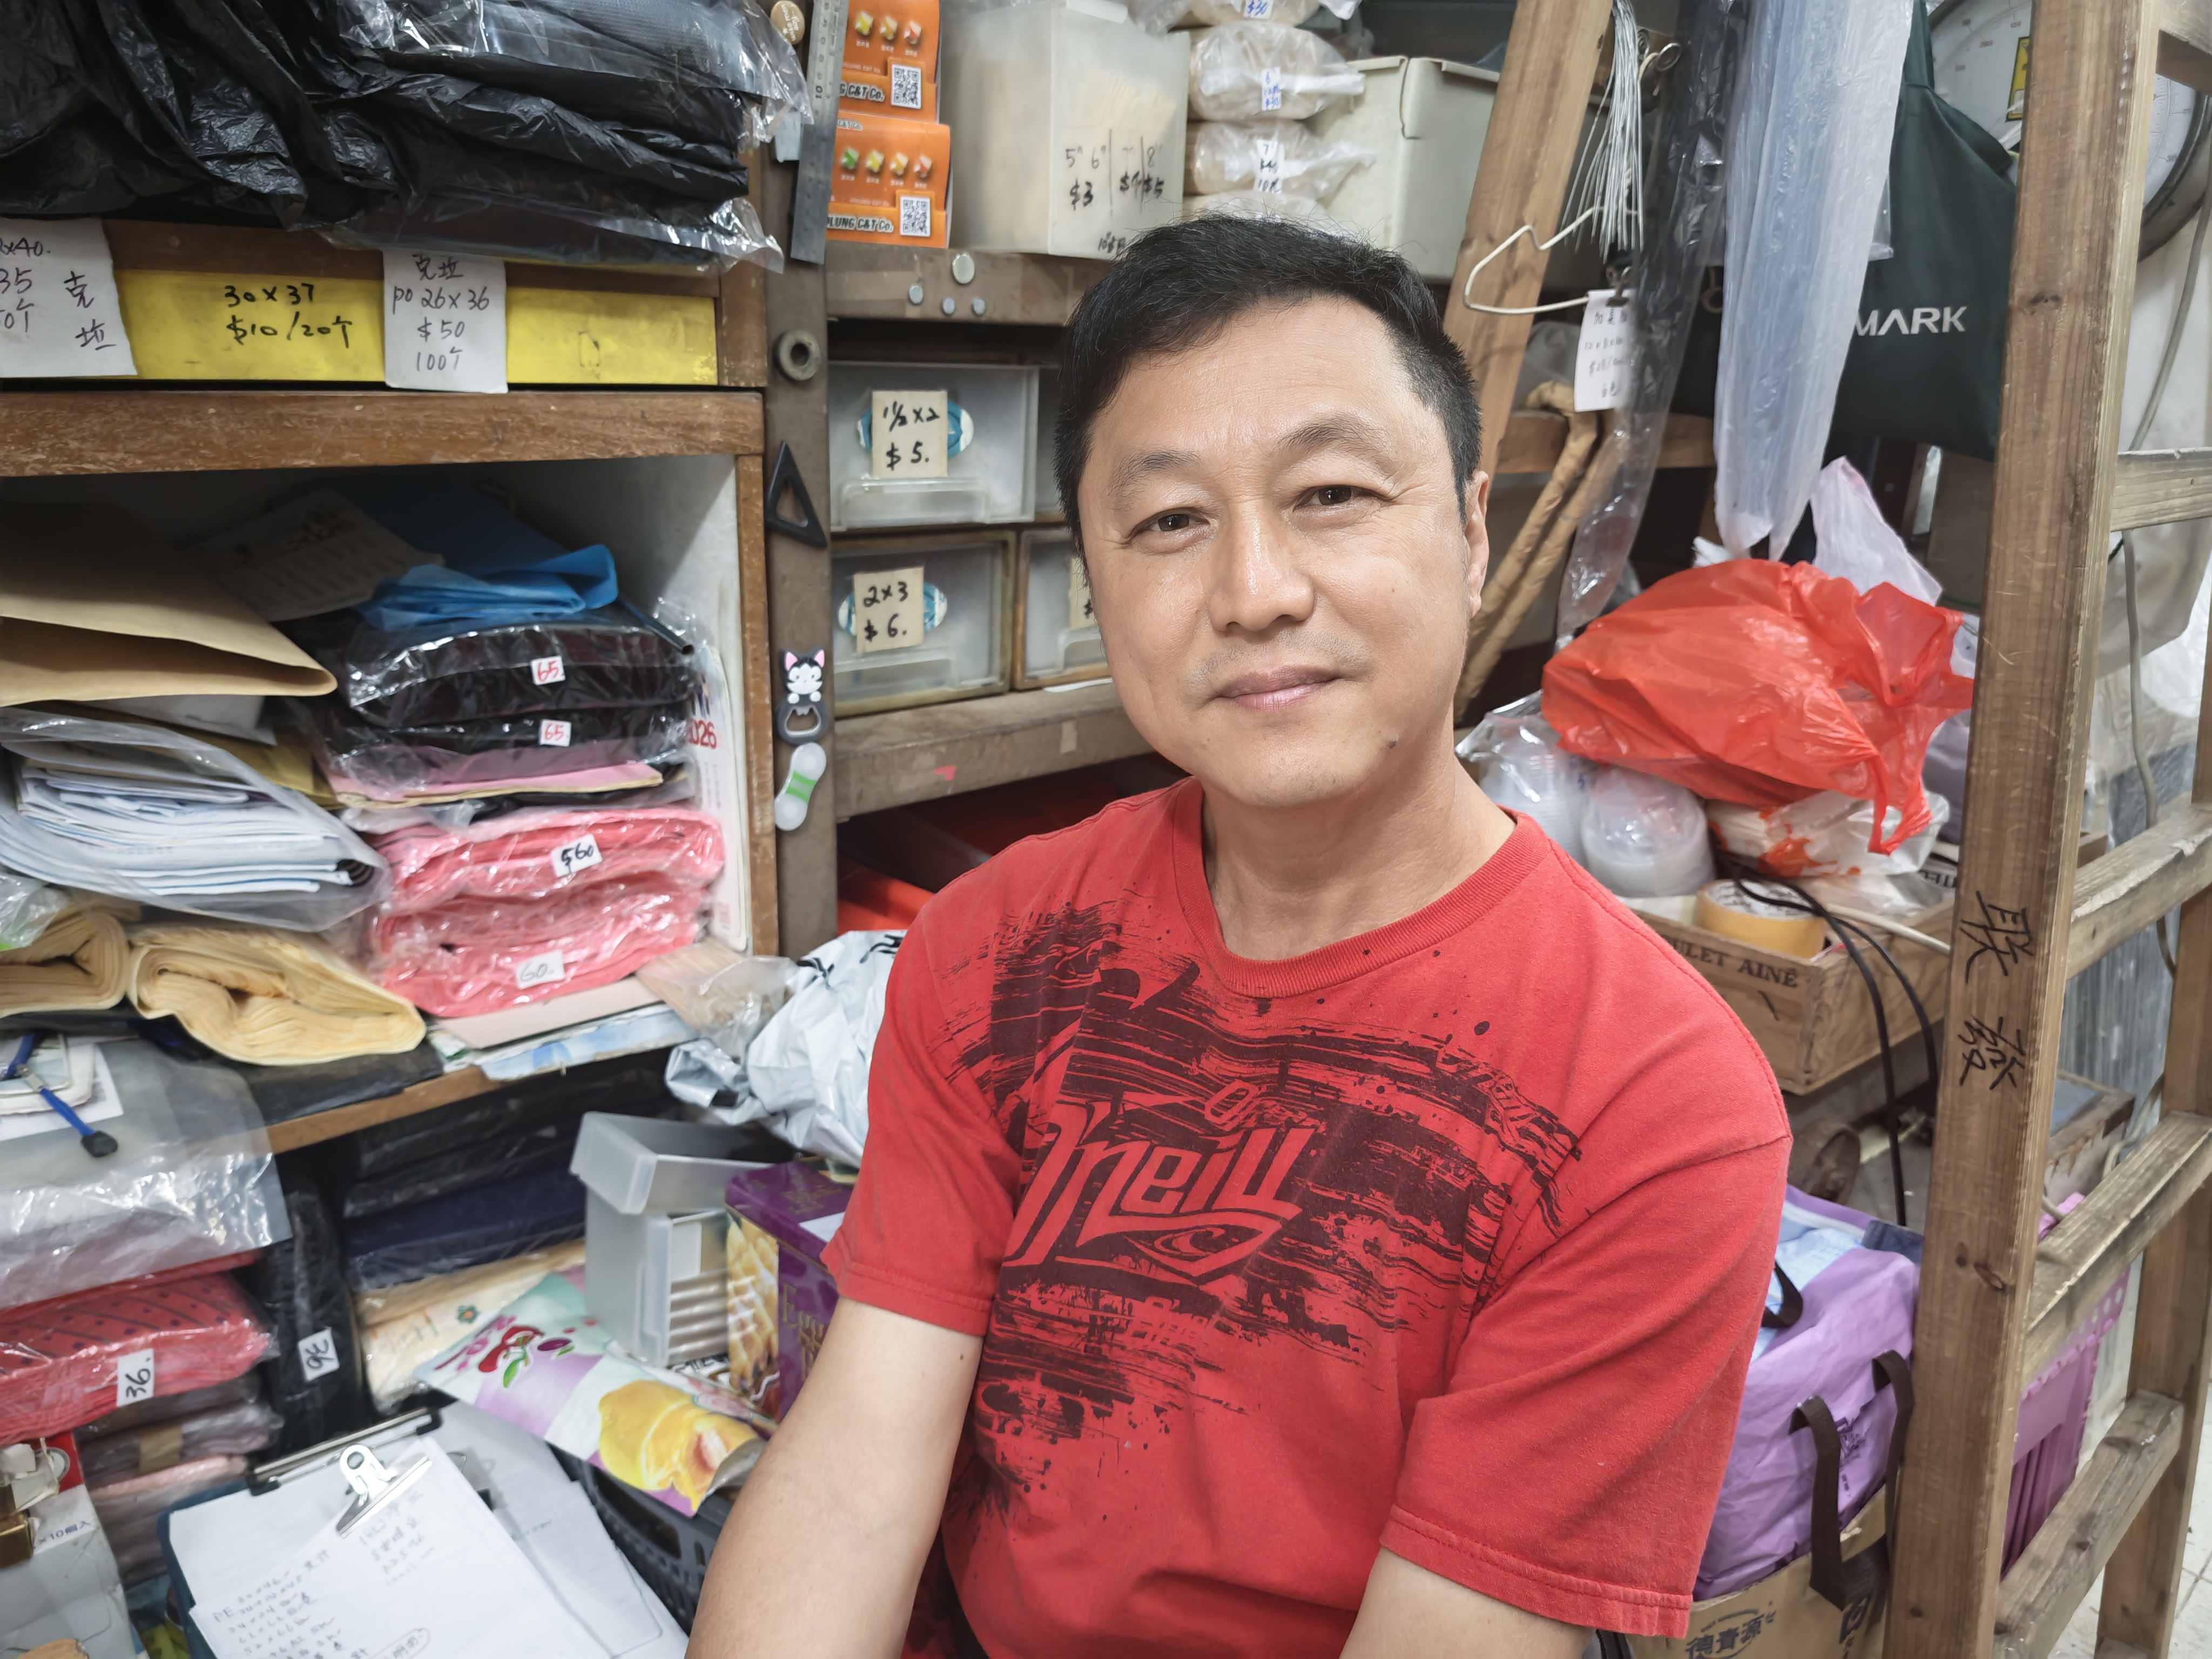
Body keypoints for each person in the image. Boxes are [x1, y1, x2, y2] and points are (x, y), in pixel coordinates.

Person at [691, 217, 1789, 1658]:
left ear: (1470, 535)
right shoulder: (999, 950)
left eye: (1332, 494)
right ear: (1093, 582)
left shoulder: (1657, 1102)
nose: (1256, 590)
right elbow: (852, 1477)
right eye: (1169, 522)